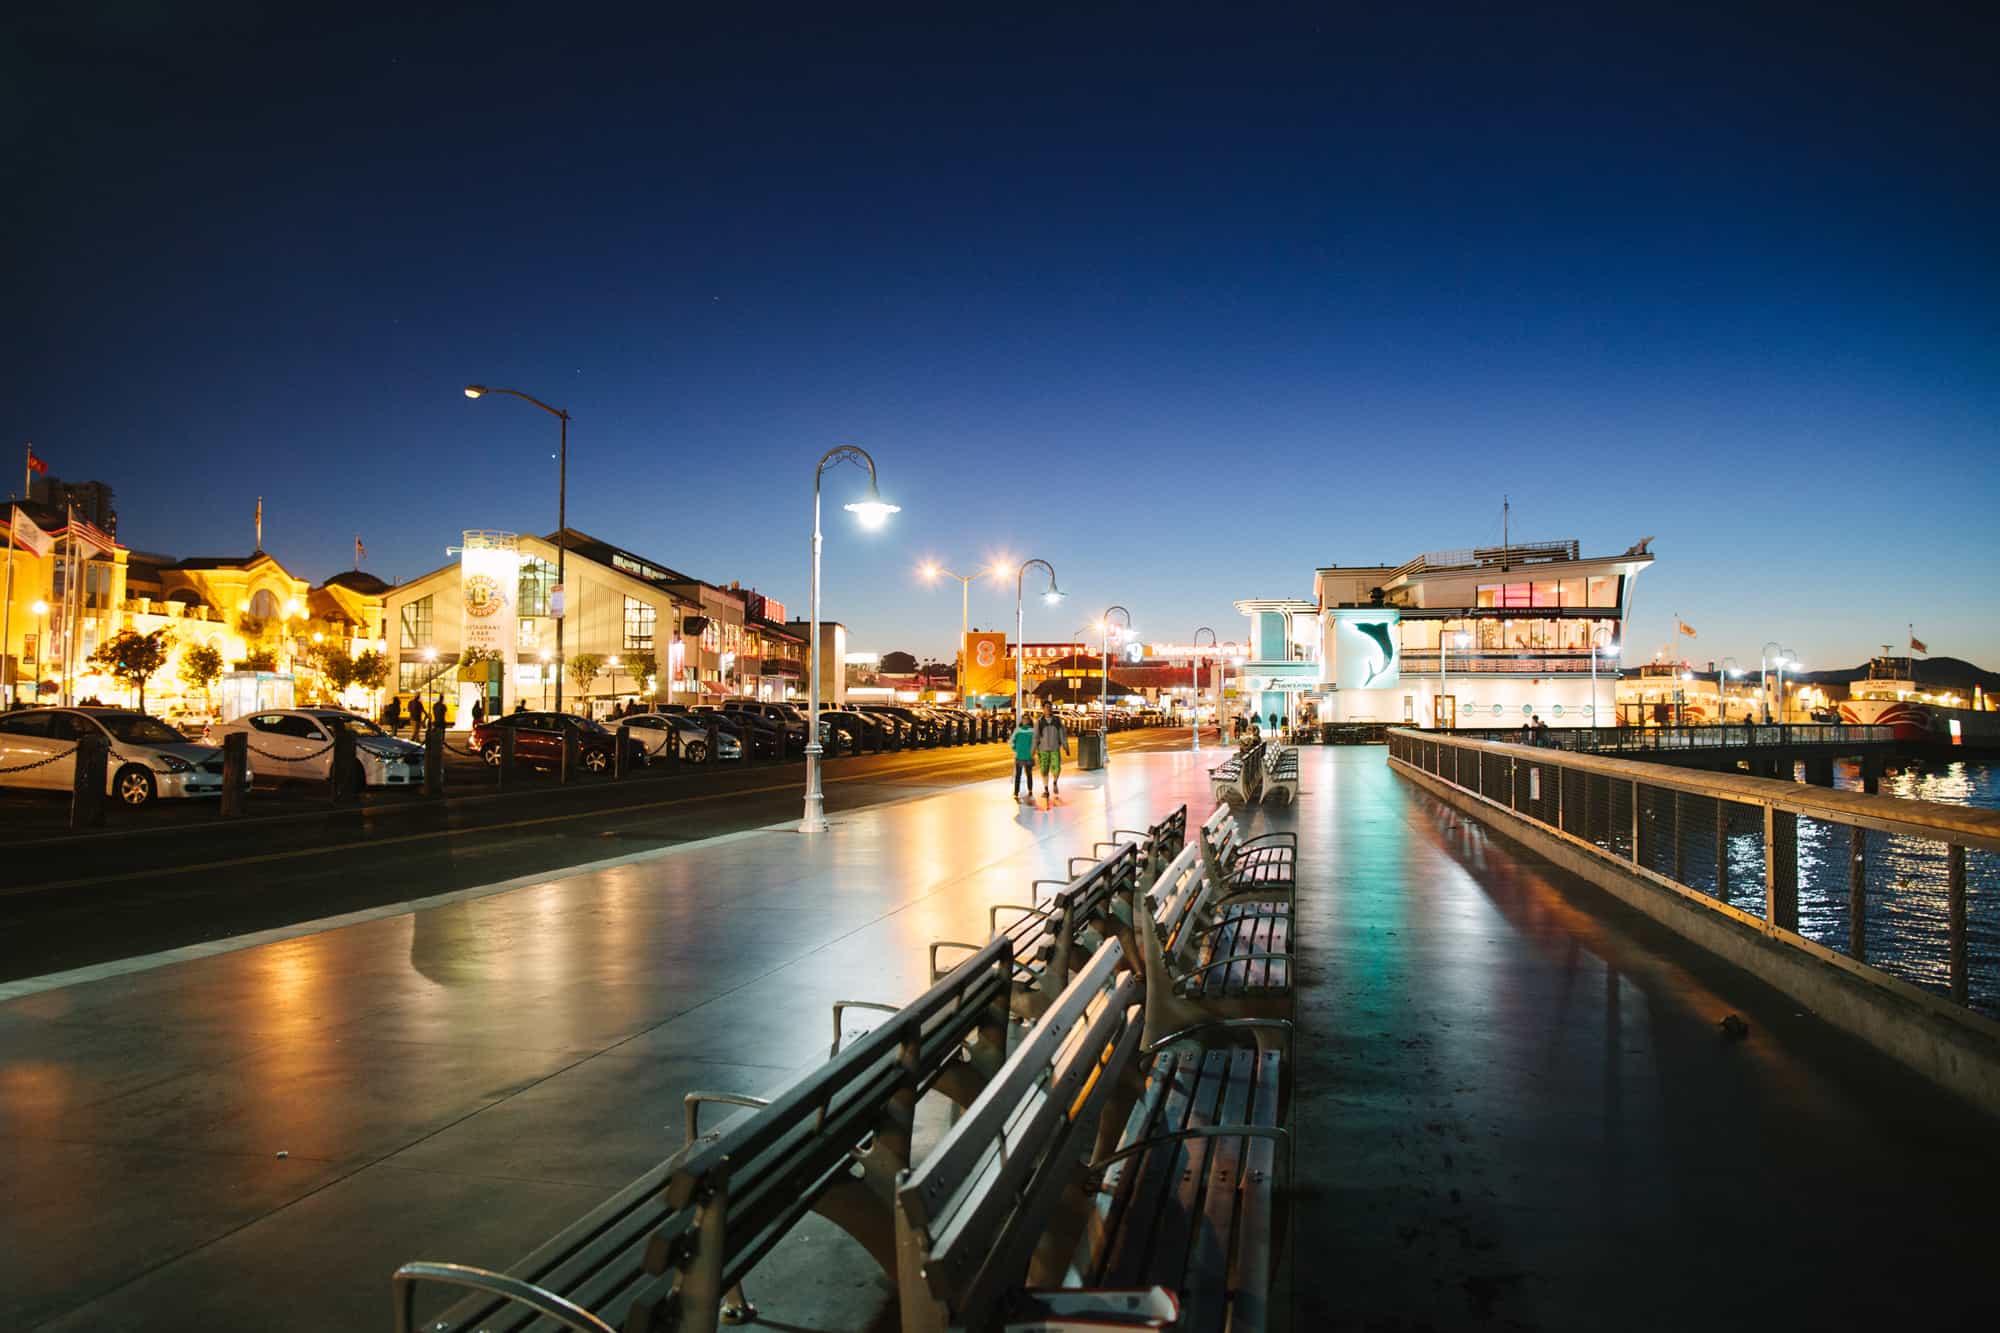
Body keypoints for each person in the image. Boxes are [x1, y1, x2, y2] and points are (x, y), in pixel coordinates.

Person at [1033, 709, 1066, 798]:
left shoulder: (1057, 721)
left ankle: (1055, 782)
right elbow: (1035, 736)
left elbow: (1062, 734)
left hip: (1054, 748)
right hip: (1043, 749)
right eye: (1046, 707)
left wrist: (1065, 746)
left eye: (1049, 707)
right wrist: (1033, 749)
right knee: (1044, 770)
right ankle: (1046, 790)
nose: (1048, 709)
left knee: (1057, 768)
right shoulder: (1039, 721)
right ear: (1043, 709)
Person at [1009, 713, 1036, 800]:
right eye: (1023, 719)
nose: (1025, 720)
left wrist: (1033, 752)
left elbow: (1036, 743)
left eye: (1027, 719)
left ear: (1029, 721)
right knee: (1018, 775)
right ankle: (1016, 792)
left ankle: (1030, 790)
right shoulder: (1018, 730)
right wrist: (1015, 749)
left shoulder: (1033, 730)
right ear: (1022, 720)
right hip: (1019, 756)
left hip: (1028, 756)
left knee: (1029, 774)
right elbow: (1011, 741)